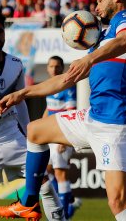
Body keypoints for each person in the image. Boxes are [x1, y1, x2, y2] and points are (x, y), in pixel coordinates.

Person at [0, 0, 126, 221]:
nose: (95, 6)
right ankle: (29, 202)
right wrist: (21, 94)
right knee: (35, 130)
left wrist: (89, 59)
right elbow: (64, 80)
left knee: (118, 203)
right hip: (94, 116)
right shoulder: (103, 40)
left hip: (117, 123)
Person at [0, 12, 64, 221]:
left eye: (0, 31)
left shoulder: (16, 64)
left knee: (46, 186)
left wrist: (29, 135)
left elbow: (20, 101)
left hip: (13, 139)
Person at [43, 56, 80, 219]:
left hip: (62, 136)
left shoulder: (68, 85)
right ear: (47, 68)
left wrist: (64, 139)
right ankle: (69, 201)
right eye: (51, 66)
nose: (54, 69)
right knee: (47, 170)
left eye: (57, 66)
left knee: (60, 174)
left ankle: (64, 212)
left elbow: (71, 112)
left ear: (62, 67)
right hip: (50, 134)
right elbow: (49, 109)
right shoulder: (50, 85)